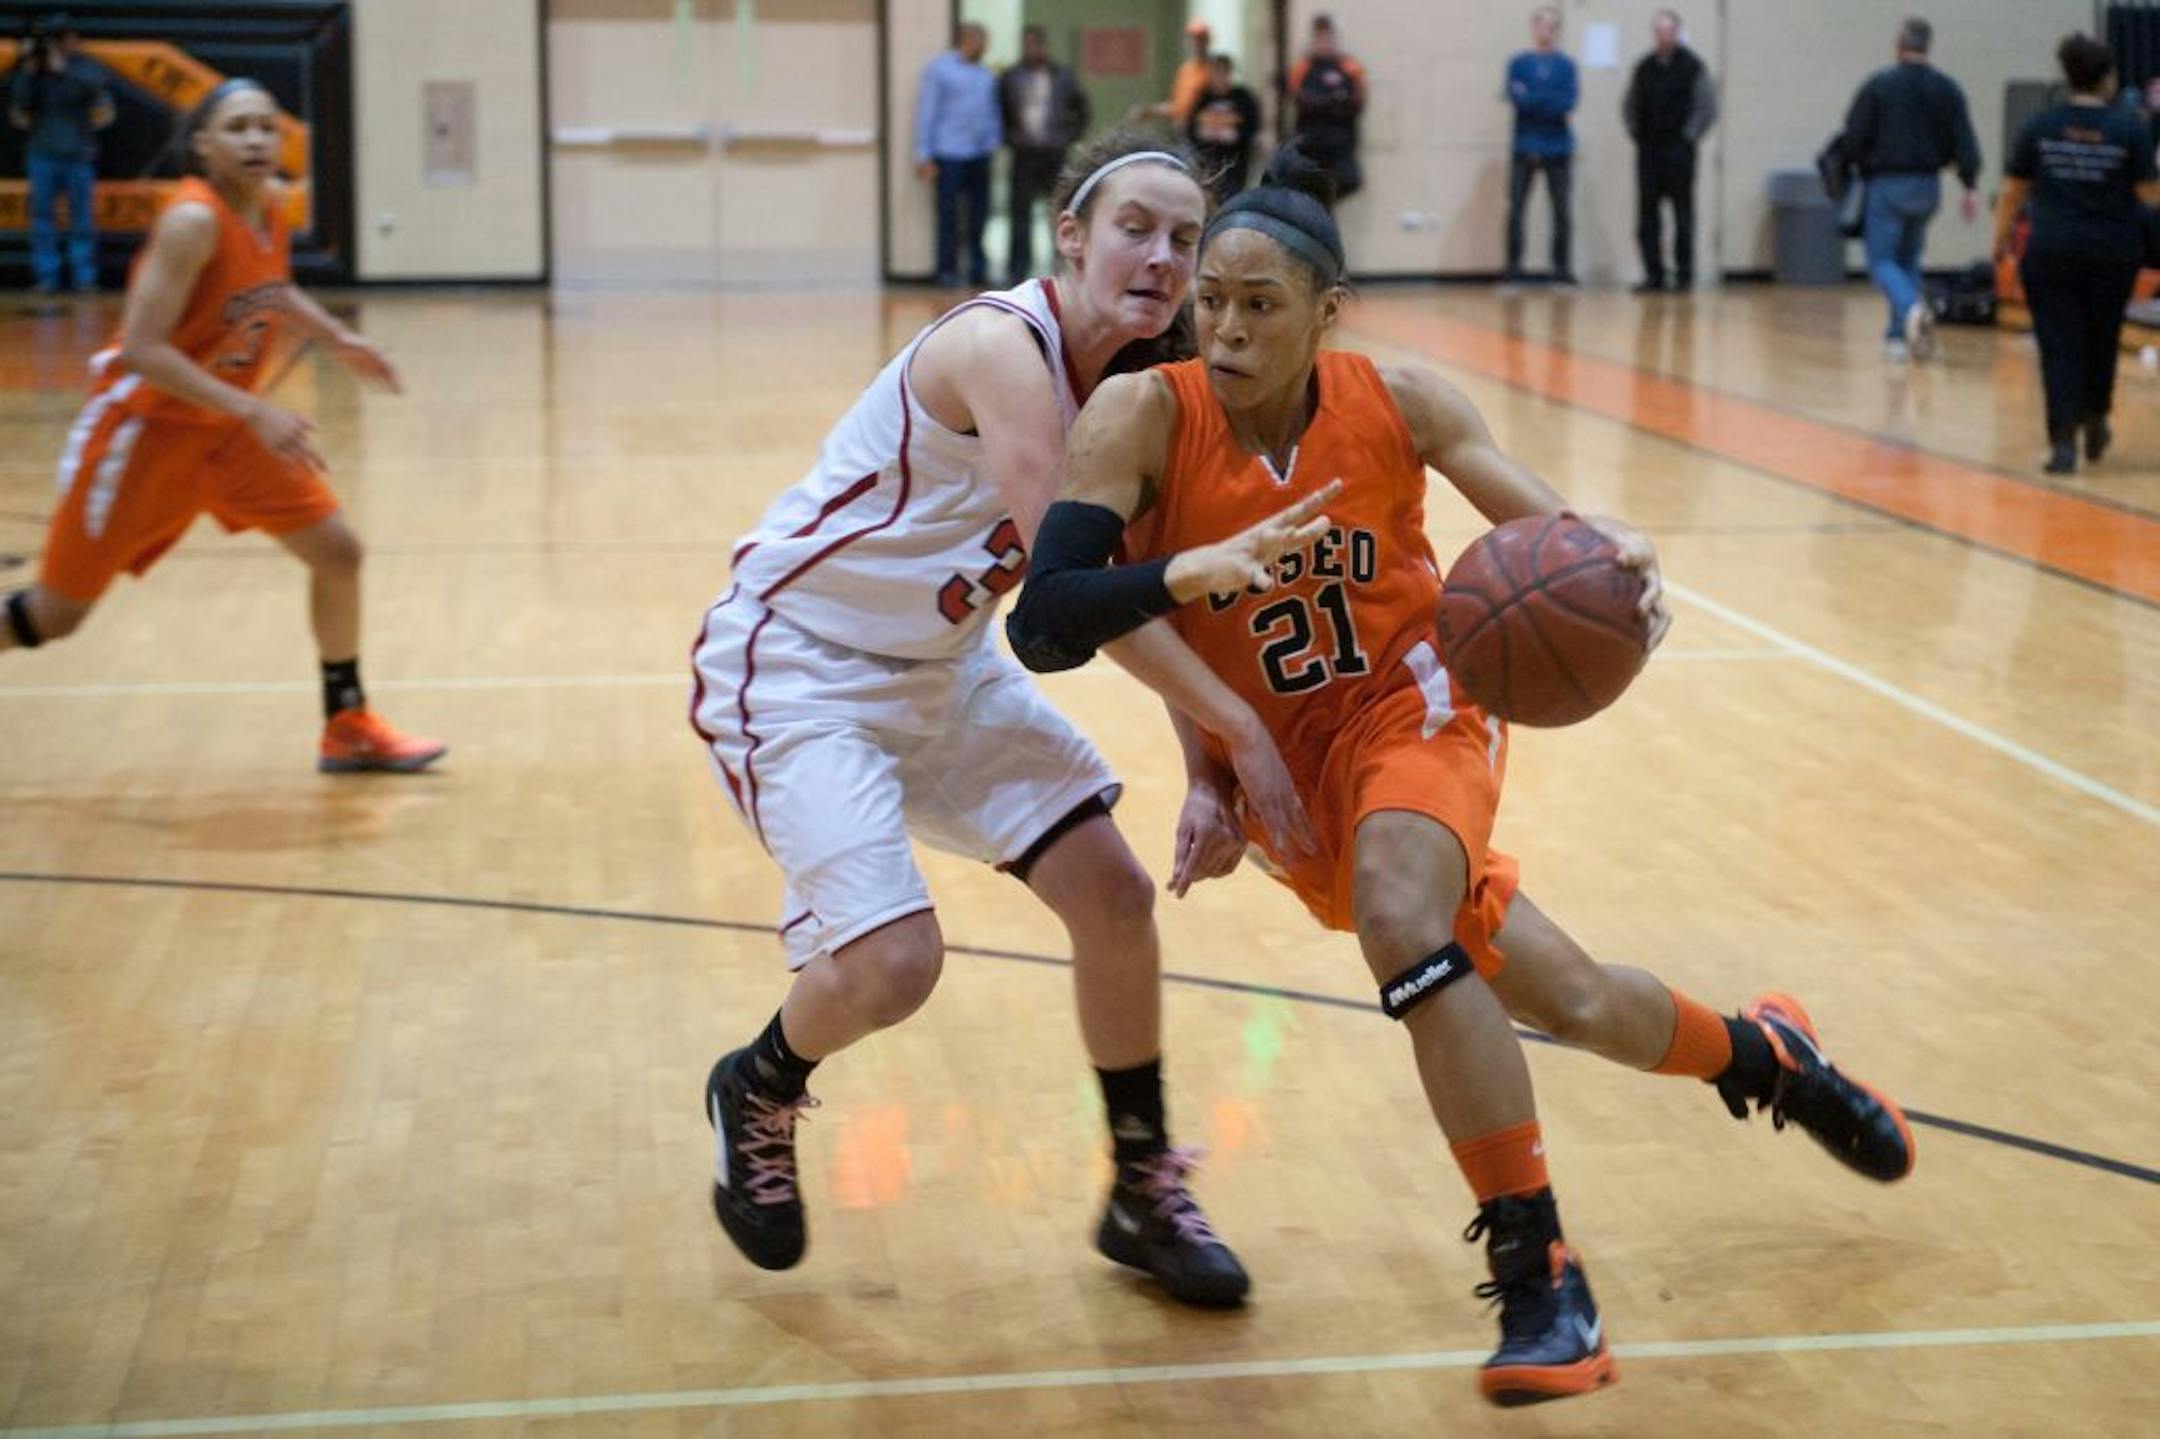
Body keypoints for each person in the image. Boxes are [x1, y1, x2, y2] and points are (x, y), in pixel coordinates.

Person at [1007, 148, 1915, 1407]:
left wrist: (1613, 556)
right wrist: (1212, 748)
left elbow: (1550, 537)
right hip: (1292, 773)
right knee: (1577, 997)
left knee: (1399, 910)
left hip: (1418, 703)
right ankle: (1768, 1058)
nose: (1222, 324)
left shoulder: (1404, 402)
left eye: (1259, 304)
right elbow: (1049, 619)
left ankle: (1541, 1270)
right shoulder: (1141, 418)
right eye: (1210, 297)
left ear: (1329, 313)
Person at [691, 135, 1255, 1310]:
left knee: (1114, 895)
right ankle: (758, 1081)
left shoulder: (1150, 389)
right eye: (1134, 228)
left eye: (1184, 238)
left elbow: (1151, 583)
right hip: (800, 663)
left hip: (941, 670)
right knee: (896, 965)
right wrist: (1242, 733)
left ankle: (1141, 1184)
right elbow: (1066, 596)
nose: (1160, 256)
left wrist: (1206, 767)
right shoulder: (1004, 348)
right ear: (1071, 235)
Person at [0, 80, 444, 774]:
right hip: (146, 432)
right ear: (202, 145)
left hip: (228, 432)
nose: (258, 140)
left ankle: (347, 723)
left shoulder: (265, 207)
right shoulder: (192, 220)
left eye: (267, 127)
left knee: (338, 553)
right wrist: (254, 408)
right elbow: (143, 351)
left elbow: (268, 287)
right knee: (55, 615)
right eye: (237, 128)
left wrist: (335, 337)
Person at [1994, 35, 2160, 473]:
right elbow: (2149, 195)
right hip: (2111, 251)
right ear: (2107, 77)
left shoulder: (2040, 125)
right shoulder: (2129, 128)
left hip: (2051, 251)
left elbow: (2013, 190)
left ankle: (2063, 439)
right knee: (2101, 338)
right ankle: (2095, 415)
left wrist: (1999, 239)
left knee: (2058, 344)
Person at [1840, 17, 1982, 361]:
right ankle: (1898, 336)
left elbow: (1854, 136)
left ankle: (1911, 308)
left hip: (1888, 183)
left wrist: (1854, 165)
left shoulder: (1879, 85)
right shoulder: (1947, 88)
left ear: (1899, 43)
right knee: (1908, 260)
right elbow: (1963, 140)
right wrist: (1969, 184)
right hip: (1928, 185)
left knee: (1881, 262)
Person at [7, 13, 115, 295]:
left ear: (73, 40)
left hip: (78, 153)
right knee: (42, 217)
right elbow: (19, 106)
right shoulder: (34, 71)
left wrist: (62, 69)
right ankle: (47, 277)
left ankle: (84, 277)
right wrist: (30, 69)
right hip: (42, 152)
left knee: (82, 219)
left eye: (62, 38)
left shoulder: (86, 68)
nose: (59, 43)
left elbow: (98, 100)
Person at [1622, 10, 1716, 293]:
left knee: (1682, 215)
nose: (1663, 35)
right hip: (1649, 150)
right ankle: (1654, 274)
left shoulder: (1693, 67)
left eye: (1668, 30)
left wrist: (1689, 137)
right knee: (1647, 216)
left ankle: (1684, 274)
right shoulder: (1643, 67)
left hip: (1679, 151)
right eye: (1659, 30)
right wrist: (1636, 132)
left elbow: (1706, 107)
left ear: (1677, 32)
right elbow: (1629, 105)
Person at [999, 24, 1089, 286]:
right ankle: (1017, 269)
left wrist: (1069, 136)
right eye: (1026, 44)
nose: (1031, 49)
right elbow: (1001, 112)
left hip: (1054, 152)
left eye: (1035, 44)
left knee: (1058, 211)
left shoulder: (1063, 76)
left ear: (1044, 46)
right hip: (1024, 153)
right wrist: (1010, 139)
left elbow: (1083, 109)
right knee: (1019, 214)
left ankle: (1058, 266)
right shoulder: (1011, 77)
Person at [914, 23, 1001, 289]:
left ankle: (977, 269)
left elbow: (990, 112)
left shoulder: (985, 74)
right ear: (968, 40)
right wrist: (923, 154)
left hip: (979, 154)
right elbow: (927, 112)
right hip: (949, 153)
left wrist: (993, 142)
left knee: (979, 215)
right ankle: (947, 270)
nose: (985, 46)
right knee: (949, 216)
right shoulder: (940, 69)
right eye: (983, 40)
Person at [1503, 6, 1579, 287]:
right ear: (1534, 28)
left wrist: (1535, 97)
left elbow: (1567, 102)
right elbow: (1517, 99)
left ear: (1557, 31)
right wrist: (1547, 99)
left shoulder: (1566, 66)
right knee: (1516, 209)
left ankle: (1561, 270)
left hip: (1558, 148)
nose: (1546, 31)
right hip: (1525, 145)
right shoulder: (1518, 63)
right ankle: (1513, 269)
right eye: (1542, 25)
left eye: (1552, 26)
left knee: (1561, 210)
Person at [1287, 14, 1366, 201]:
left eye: (1327, 37)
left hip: (1340, 143)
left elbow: (1356, 101)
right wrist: (1334, 100)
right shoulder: (1302, 67)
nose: (1323, 43)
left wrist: (1325, 103)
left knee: (1349, 181)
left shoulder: (1349, 66)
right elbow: (1301, 100)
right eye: (1318, 38)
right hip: (1311, 144)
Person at [1188, 54, 1262, 204]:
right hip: (1208, 161)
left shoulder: (1242, 97)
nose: (1219, 77)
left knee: (1231, 198)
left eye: (1222, 72)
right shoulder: (1203, 98)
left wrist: (1236, 136)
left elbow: (1253, 127)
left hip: (1234, 163)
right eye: (1215, 72)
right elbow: (1191, 127)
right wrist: (1201, 135)